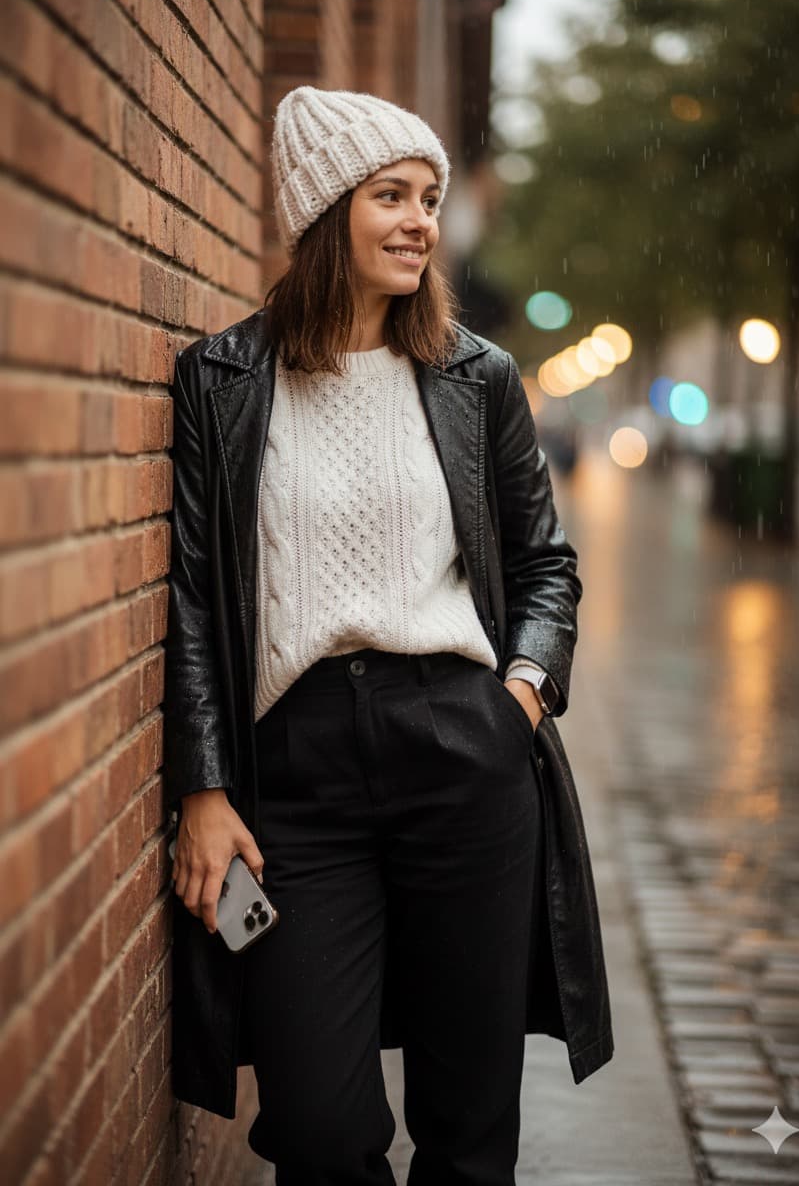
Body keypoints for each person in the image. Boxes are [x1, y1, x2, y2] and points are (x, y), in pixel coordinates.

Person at [163, 86, 613, 1185]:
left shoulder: (476, 378)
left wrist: (518, 696)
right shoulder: (222, 379)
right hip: (294, 783)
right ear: (326, 213)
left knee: (467, 1127)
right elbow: (192, 597)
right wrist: (205, 789)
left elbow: (546, 563)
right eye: (390, 197)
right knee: (317, 1126)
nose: (420, 222)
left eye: (428, 199)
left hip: (464, 753)